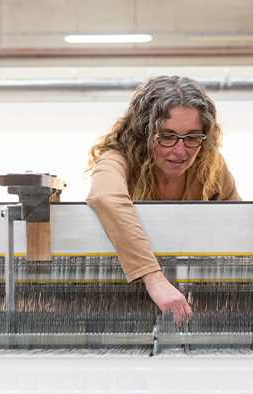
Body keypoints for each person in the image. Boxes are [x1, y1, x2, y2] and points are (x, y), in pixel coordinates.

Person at [86, 75, 241, 323]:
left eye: (192, 137)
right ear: (143, 132)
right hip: (127, 304)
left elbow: (237, 227)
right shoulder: (118, 158)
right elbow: (105, 197)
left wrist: (225, 295)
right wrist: (155, 280)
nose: (180, 151)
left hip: (194, 304)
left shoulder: (209, 166)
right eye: (166, 136)